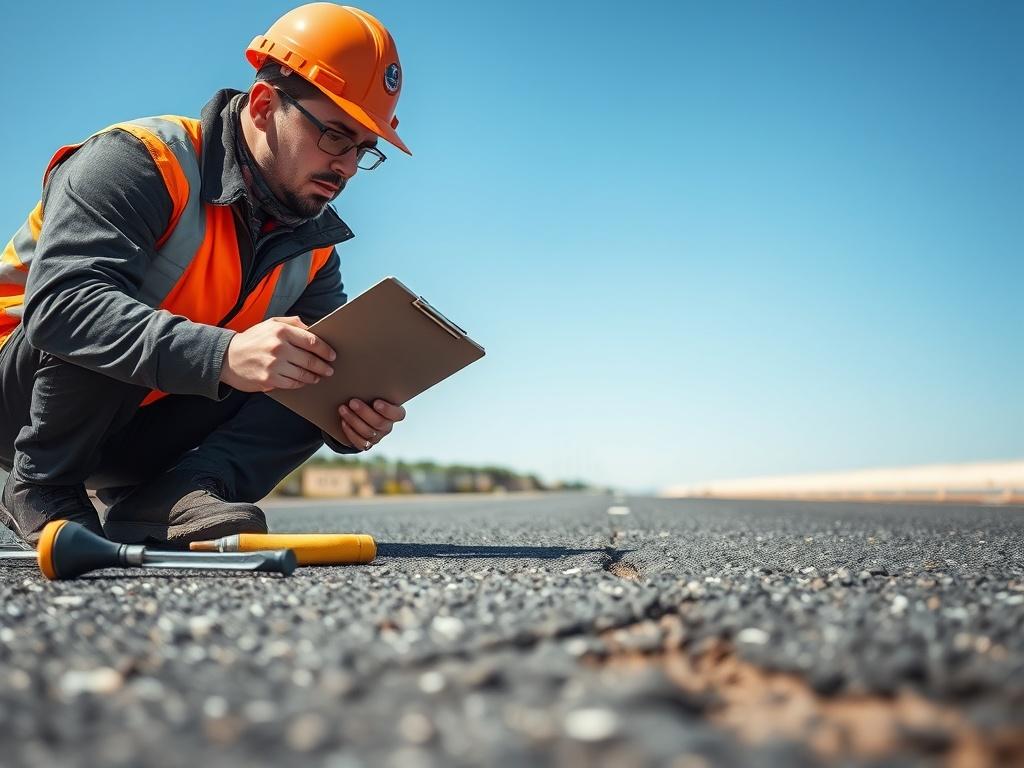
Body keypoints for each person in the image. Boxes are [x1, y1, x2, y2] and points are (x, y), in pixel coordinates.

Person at [0, 3, 409, 546]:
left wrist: (350, 416)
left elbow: (327, 378)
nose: (348, 166)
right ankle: (43, 485)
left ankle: (172, 497)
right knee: (108, 302)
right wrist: (225, 354)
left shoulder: (313, 246)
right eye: (335, 136)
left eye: (363, 150)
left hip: (137, 426)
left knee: (320, 362)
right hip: (22, 401)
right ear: (263, 106)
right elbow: (62, 307)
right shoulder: (141, 161)